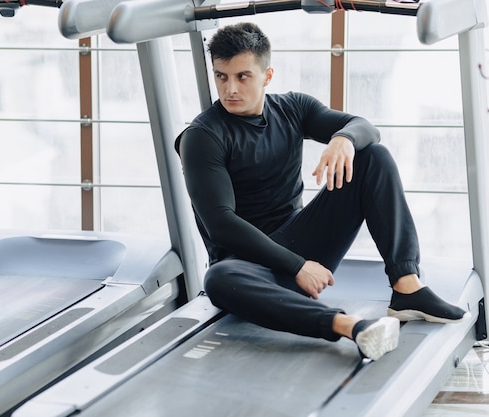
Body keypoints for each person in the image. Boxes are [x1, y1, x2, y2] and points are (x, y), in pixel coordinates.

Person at [175, 22, 469, 361]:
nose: (230, 89)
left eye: (243, 76)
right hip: (249, 264)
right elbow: (220, 225)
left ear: (267, 76)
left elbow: (365, 127)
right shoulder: (203, 136)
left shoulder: (292, 108)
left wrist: (343, 139)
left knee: (372, 155)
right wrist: (298, 266)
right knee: (218, 278)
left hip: (303, 243)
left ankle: (407, 288)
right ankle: (349, 326)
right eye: (221, 76)